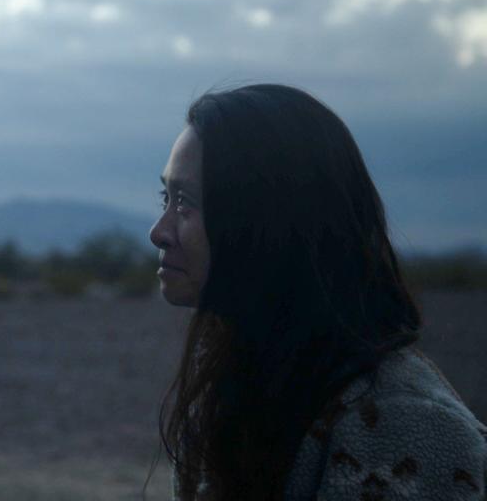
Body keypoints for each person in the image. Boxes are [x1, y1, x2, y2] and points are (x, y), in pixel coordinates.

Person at [148, 84, 487, 500]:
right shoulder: (239, 382)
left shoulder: (402, 425)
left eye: (185, 202)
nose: (158, 232)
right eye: (166, 196)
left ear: (269, 219)